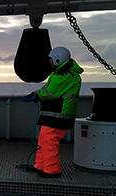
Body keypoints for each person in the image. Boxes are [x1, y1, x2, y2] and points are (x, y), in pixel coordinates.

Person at [22, 46, 83, 178]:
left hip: (58, 116)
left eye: (51, 59)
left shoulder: (66, 76)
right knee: (44, 141)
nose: (49, 62)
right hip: (52, 115)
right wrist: (34, 94)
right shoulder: (59, 74)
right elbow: (47, 90)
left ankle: (52, 170)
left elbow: (50, 94)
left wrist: (36, 97)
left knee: (49, 143)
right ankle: (40, 165)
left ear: (57, 59)